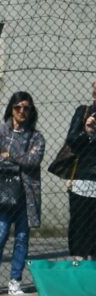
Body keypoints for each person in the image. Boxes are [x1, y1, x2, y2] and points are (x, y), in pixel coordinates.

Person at [0, 92, 45, 296]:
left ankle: (15, 280)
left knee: (21, 238)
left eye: (26, 108)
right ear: (11, 108)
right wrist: (21, 158)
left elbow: (34, 161)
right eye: (18, 107)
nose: (22, 112)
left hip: (27, 195)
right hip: (4, 193)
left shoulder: (36, 137)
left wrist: (9, 155)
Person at [65, 81, 96, 260]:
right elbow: (72, 142)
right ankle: (79, 273)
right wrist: (87, 132)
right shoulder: (83, 112)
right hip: (83, 181)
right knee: (80, 232)